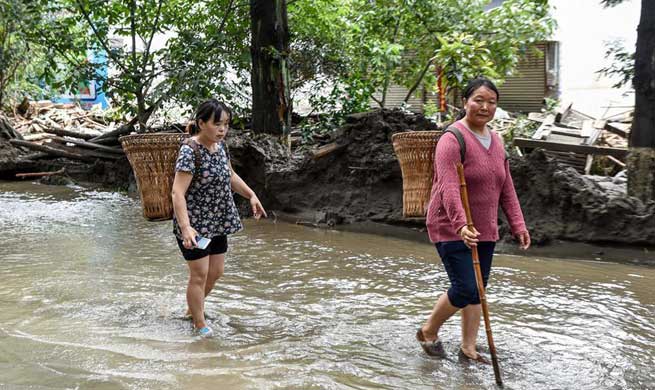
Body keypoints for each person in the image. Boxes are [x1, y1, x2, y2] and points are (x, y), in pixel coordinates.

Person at [416, 77, 530, 362]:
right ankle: (428, 331)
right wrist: (461, 225)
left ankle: (468, 347)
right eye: (478, 100)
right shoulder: (451, 139)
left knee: (478, 290)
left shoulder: (497, 141)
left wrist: (518, 224)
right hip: (450, 226)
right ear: (465, 102)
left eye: (491, 102)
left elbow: (506, 187)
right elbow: (449, 186)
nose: (485, 107)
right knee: (466, 286)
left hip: (484, 227)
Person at [171, 98, 267, 337]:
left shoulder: (220, 147)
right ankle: (199, 323)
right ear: (201, 123)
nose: (222, 129)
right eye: (217, 124)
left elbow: (231, 175)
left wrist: (251, 195)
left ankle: (193, 309)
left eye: (226, 124)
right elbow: (177, 192)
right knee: (199, 274)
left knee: (216, 272)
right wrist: (186, 228)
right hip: (195, 224)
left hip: (218, 221)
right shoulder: (189, 150)